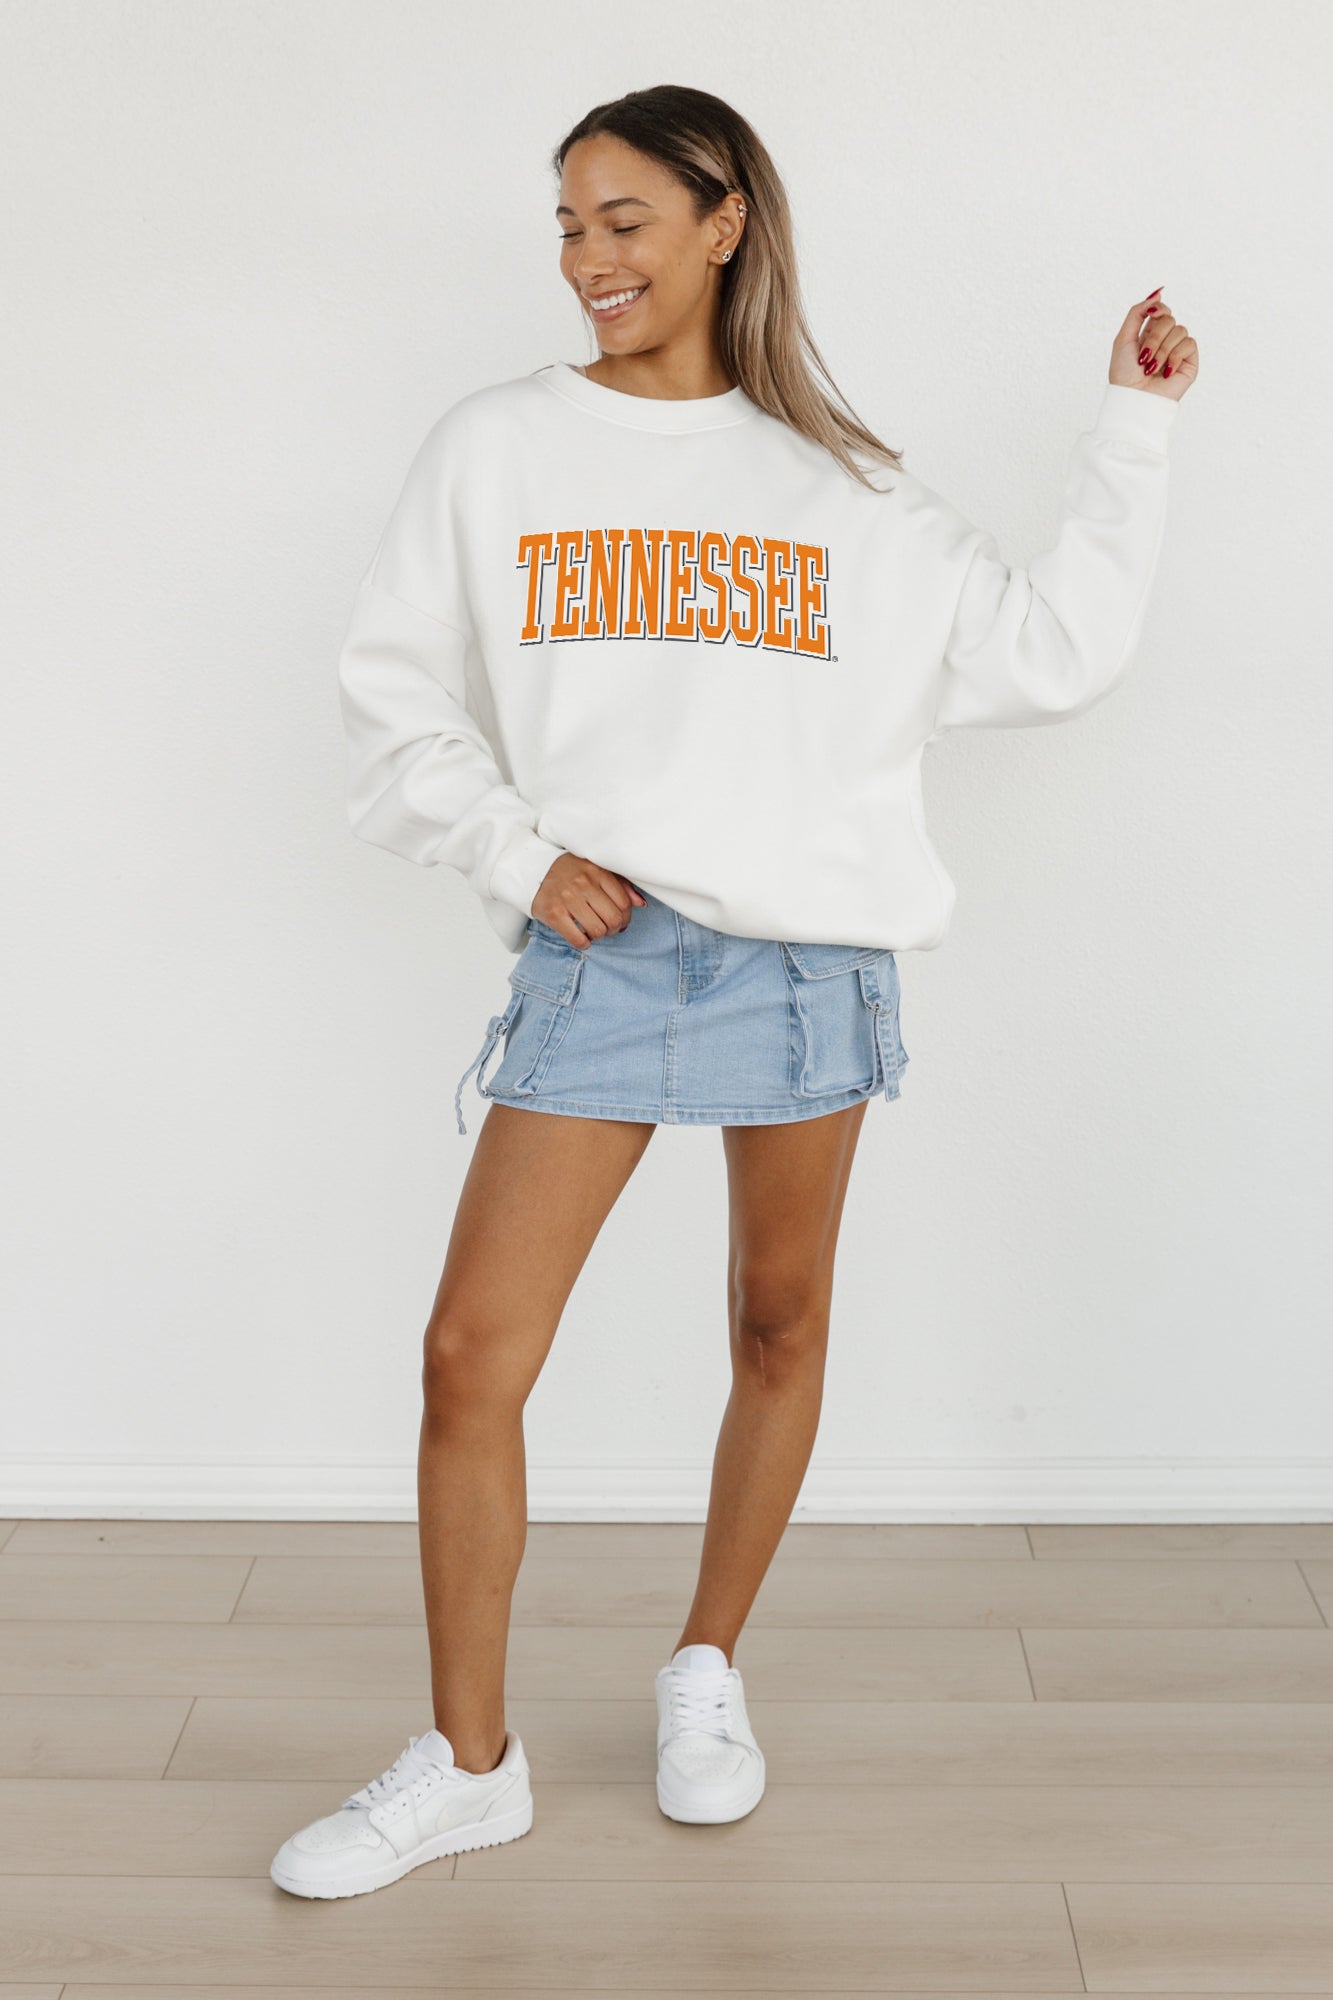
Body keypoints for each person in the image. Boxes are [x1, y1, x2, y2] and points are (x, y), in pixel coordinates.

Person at [270, 84, 1196, 1900]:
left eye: (621, 221)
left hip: (803, 959)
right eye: (566, 225)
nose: (585, 259)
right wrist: (515, 853)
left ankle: (705, 1665)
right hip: (602, 953)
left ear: (723, 225)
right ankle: (467, 1764)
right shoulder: (497, 448)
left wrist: (1134, 426)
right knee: (470, 1357)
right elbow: (387, 690)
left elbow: (1051, 652)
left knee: (776, 1322)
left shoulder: (843, 489)